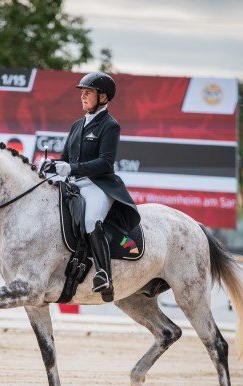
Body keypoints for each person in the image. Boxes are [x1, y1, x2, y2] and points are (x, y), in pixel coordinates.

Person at [48, 72, 141, 302]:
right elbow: (65, 158)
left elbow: (105, 163)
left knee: (91, 221)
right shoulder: (77, 125)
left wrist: (71, 168)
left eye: (88, 92)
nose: (83, 96)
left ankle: (104, 275)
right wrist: (52, 167)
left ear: (103, 97)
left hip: (98, 185)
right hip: (74, 183)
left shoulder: (110, 126)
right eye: (82, 92)